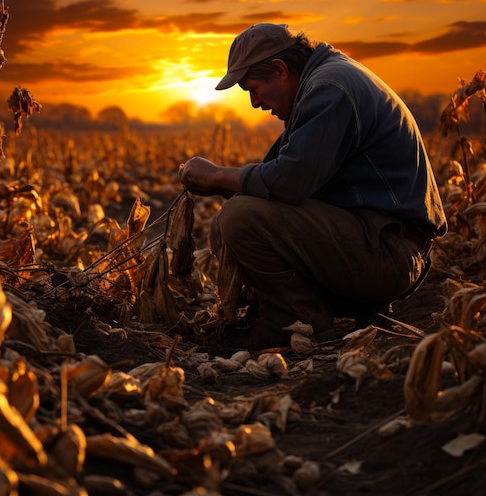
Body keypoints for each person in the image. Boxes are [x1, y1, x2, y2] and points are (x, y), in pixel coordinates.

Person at [179, 23, 447, 350]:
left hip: (390, 254)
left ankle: (297, 325)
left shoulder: (329, 88)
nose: (254, 103)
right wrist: (226, 184)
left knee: (238, 217)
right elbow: (273, 182)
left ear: (280, 70)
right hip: (382, 242)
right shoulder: (324, 82)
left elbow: (286, 181)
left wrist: (217, 175)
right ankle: (296, 312)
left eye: (253, 89)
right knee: (231, 220)